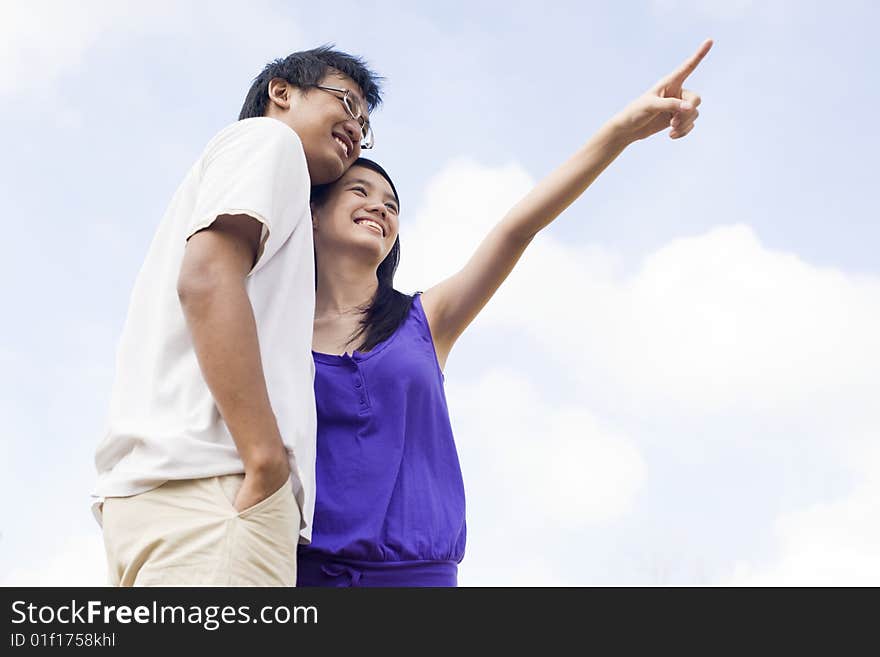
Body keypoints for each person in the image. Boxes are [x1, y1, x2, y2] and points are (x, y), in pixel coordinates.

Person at [297, 40, 714, 586]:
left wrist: (620, 133)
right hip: (298, 575)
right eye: (360, 190)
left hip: (416, 577)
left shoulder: (425, 321)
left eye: (392, 203)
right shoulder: (278, 333)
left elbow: (518, 228)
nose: (380, 205)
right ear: (311, 216)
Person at [92, 46, 382, 586]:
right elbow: (205, 281)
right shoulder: (269, 142)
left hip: (170, 495)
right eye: (347, 101)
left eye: (365, 123)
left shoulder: (232, 176)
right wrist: (265, 458)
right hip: (220, 490)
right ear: (282, 92)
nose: (356, 126)